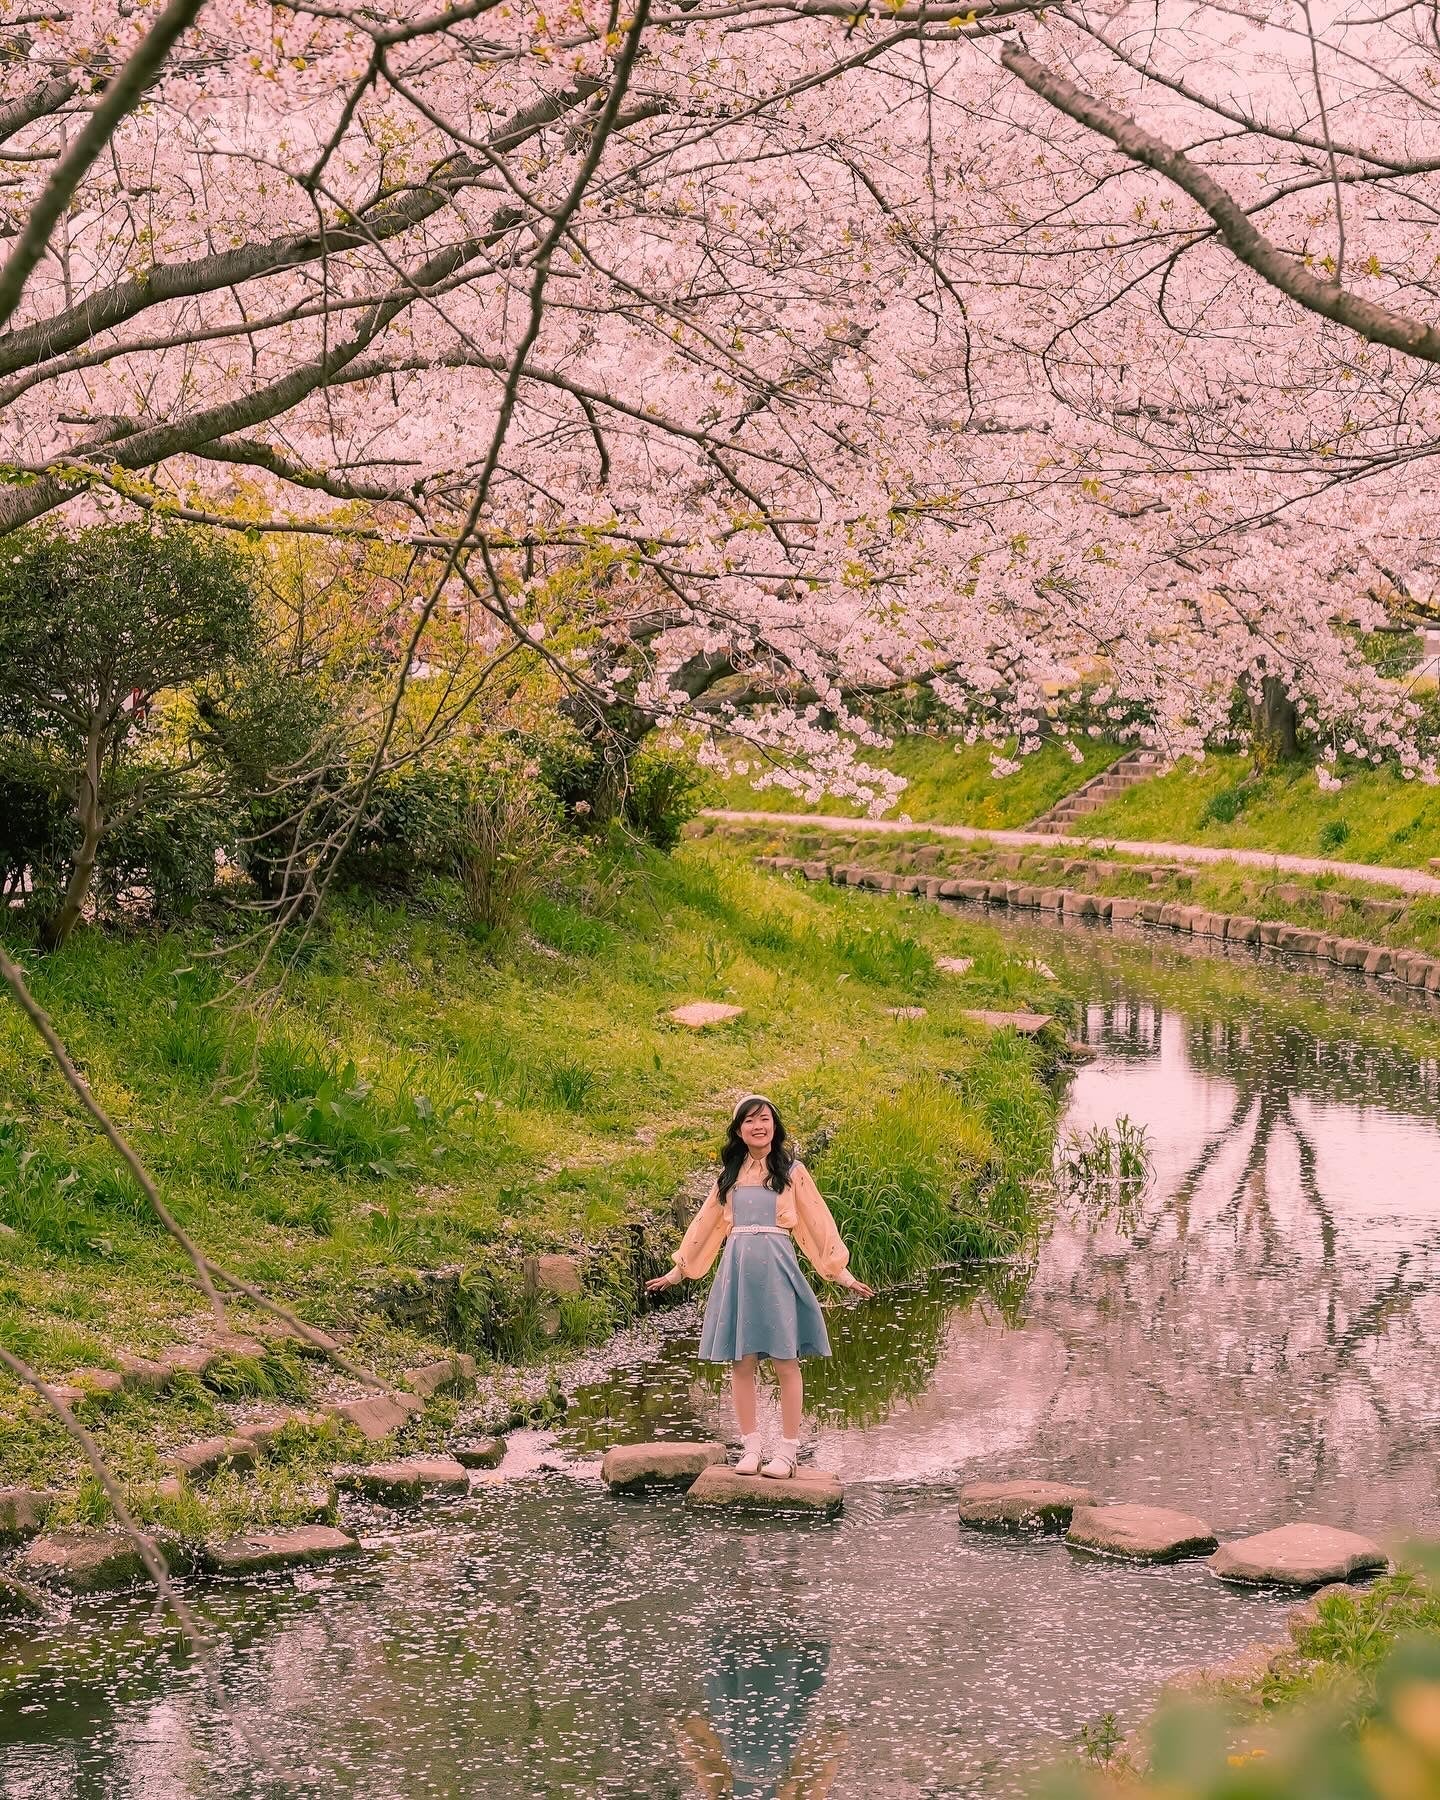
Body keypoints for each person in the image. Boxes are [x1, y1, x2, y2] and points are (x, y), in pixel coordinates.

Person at [646, 1094, 873, 1479]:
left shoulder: (792, 1171)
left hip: (778, 1272)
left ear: (774, 1126)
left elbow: (819, 1223)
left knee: (786, 1360)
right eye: (749, 1121)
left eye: (764, 1119)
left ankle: (787, 1452)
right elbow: (705, 1226)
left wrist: (842, 1275)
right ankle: (750, 1447)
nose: (758, 1126)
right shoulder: (729, 1177)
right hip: (738, 1273)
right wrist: (676, 1273)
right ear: (738, 1131)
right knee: (742, 1361)